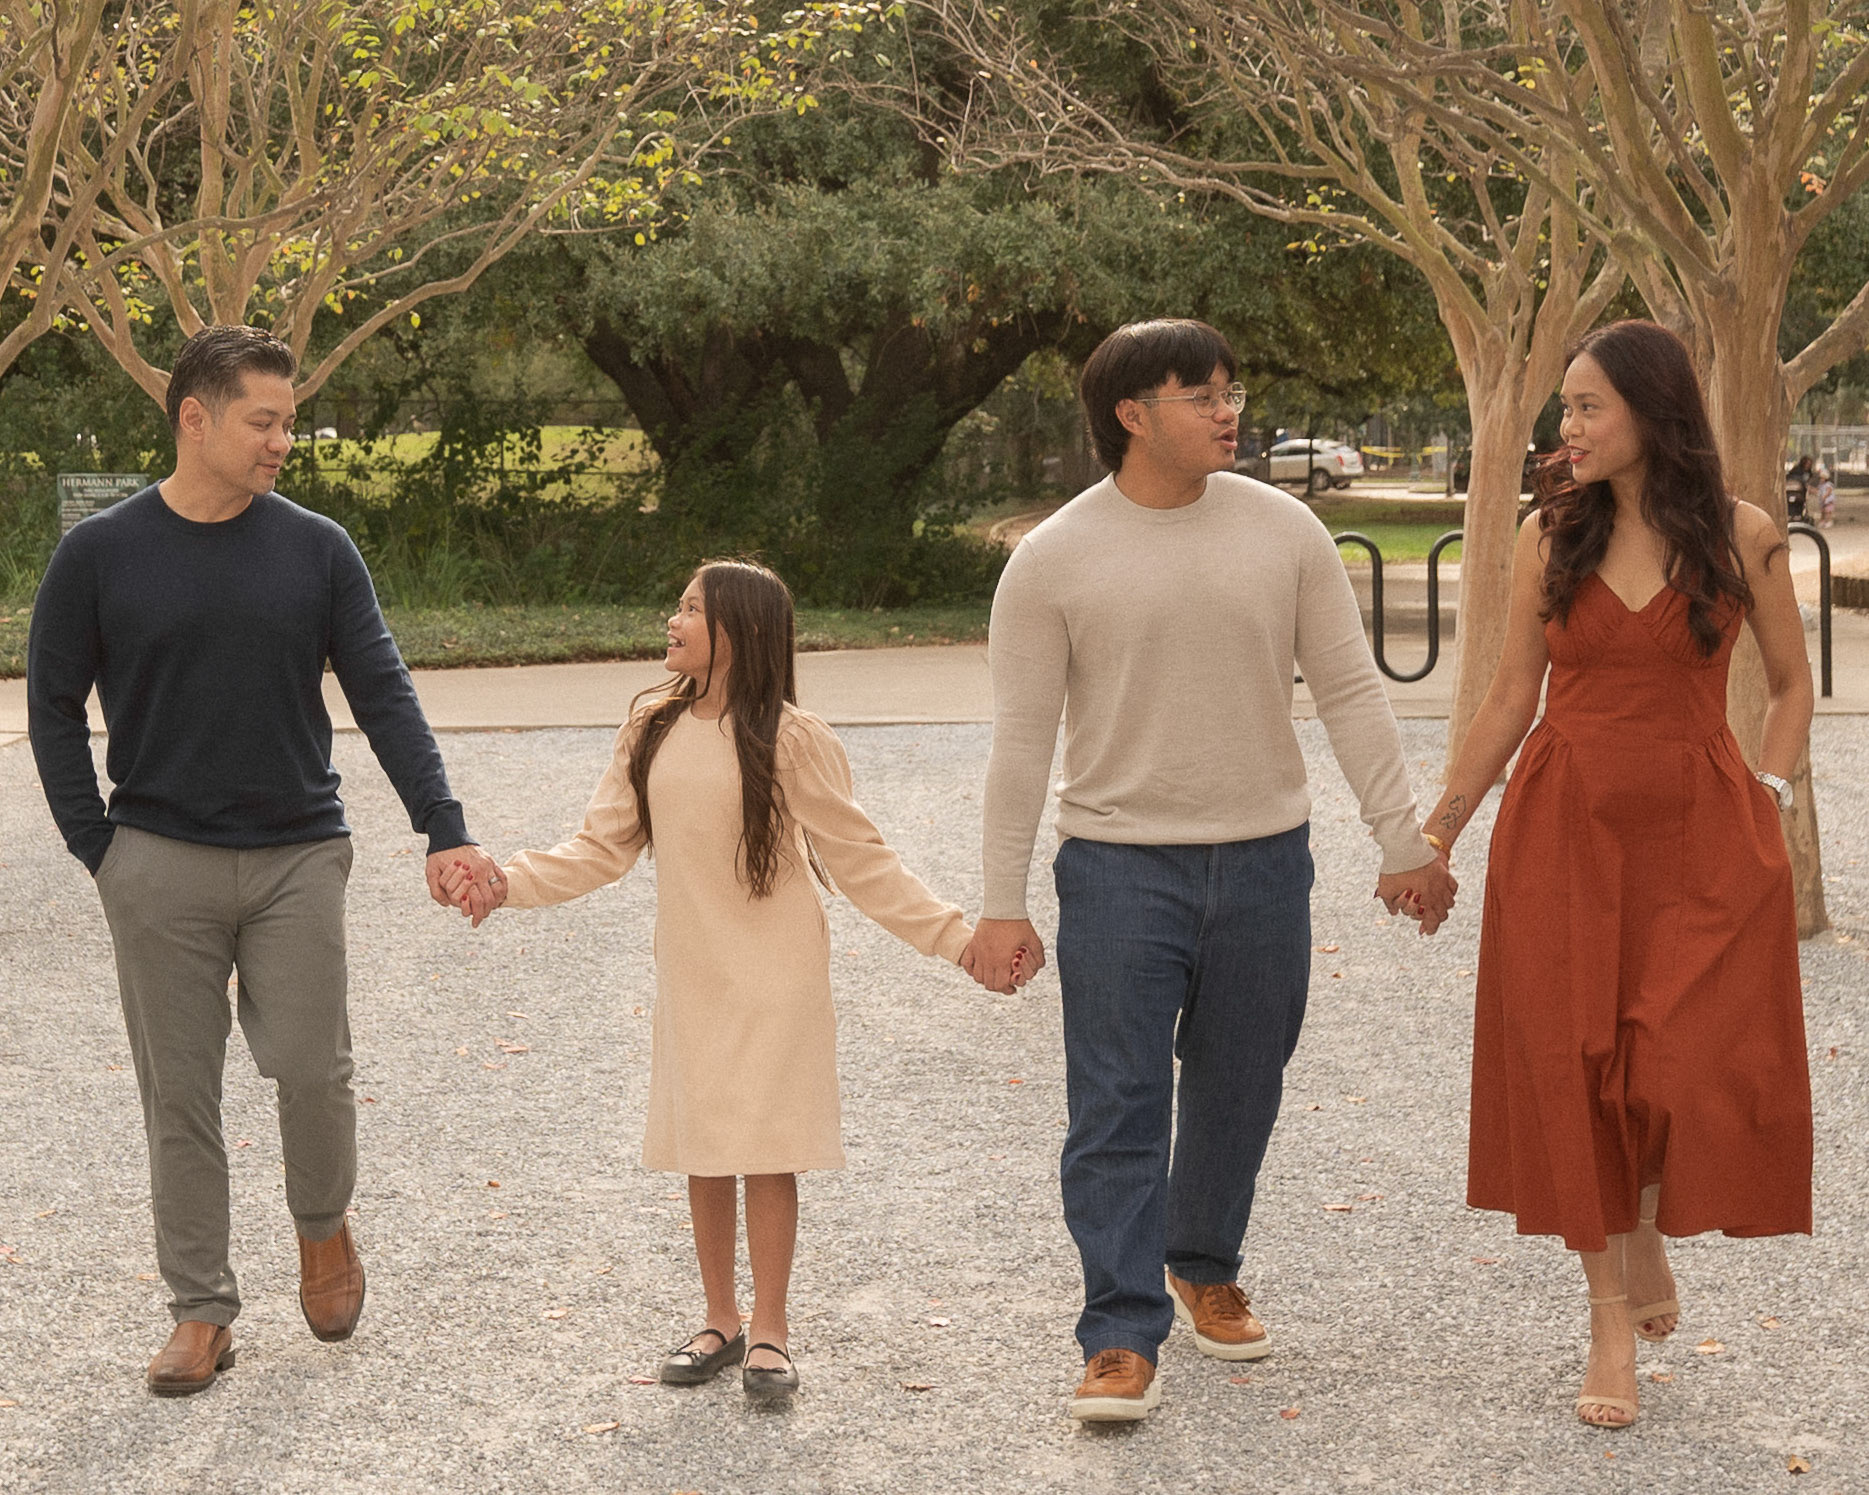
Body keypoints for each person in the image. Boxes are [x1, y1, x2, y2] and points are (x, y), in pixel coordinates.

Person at [966, 318, 1456, 1423]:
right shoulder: (1052, 558)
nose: (1229, 411)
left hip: (1267, 861)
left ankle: (1202, 1263)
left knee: (1242, 1083)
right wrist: (1000, 905)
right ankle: (1117, 1330)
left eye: (1232, 390)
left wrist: (1403, 844)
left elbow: (1350, 692)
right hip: (1118, 868)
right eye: (1202, 395)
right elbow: (1020, 744)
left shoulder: (1285, 531)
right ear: (1131, 415)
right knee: (1118, 1102)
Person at [26, 325, 498, 1395]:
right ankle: (201, 1311)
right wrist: (99, 847)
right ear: (194, 418)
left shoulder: (318, 549)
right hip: (157, 860)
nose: (285, 439)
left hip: (297, 855)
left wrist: (444, 823)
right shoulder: (99, 554)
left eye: (290, 420)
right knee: (180, 1095)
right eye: (265, 421)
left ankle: (322, 1228)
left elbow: (382, 691)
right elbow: (51, 705)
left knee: (312, 1068)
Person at [441, 559, 973, 1400]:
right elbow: (601, 846)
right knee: (705, 1145)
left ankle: (771, 1330)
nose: (674, 619)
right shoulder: (651, 726)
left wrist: (958, 940)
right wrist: (508, 882)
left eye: (692, 608)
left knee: (767, 1148)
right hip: (693, 972)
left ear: (743, 630)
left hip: (777, 978)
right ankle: (719, 1318)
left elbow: (863, 861)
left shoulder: (792, 737)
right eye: (679, 605)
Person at [1420, 319, 1813, 1429]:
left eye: (1588, 405)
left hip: (1699, 831)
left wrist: (1769, 798)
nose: (1569, 426)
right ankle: (1606, 1318)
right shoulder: (1549, 534)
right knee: (1574, 1060)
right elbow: (1511, 695)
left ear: (1652, 409)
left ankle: (1641, 1229)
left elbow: (1792, 685)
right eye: (1567, 408)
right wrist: (1437, 832)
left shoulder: (1741, 533)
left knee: (1672, 1063)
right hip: (1564, 827)